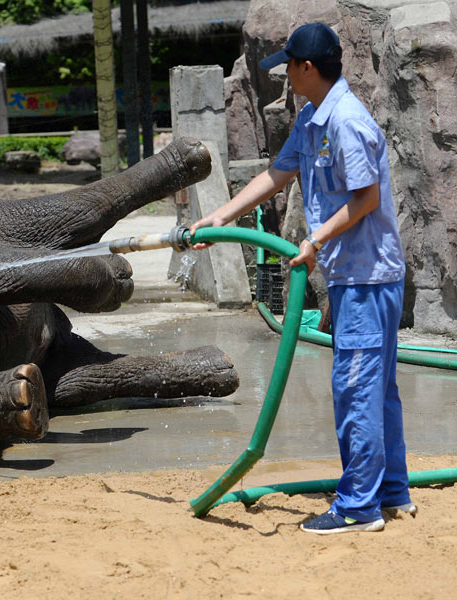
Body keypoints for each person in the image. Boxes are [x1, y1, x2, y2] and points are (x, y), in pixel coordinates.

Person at [190, 22, 416, 534]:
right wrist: (220, 218)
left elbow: (367, 198)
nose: (284, 78)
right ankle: (393, 493)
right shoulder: (313, 119)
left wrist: (314, 242)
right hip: (354, 274)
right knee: (376, 389)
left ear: (306, 68)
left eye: (288, 68)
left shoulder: (347, 123)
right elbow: (278, 173)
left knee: (357, 389)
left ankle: (358, 508)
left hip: (366, 277)